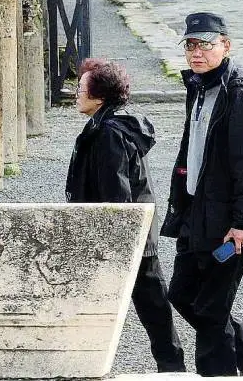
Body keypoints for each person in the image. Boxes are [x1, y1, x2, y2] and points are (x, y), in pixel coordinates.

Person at [160, 12, 243, 377]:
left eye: (206, 44)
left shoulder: (240, 93)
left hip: (232, 219)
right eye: (190, 45)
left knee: (212, 311)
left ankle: (221, 372)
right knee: (182, 294)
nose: (197, 53)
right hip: (197, 211)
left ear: (225, 46)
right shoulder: (198, 86)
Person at [65, 57, 185, 373]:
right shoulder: (106, 126)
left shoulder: (109, 134)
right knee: (151, 303)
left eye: (81, 88)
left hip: (126, 236)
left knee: (150, 303)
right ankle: (171, 364)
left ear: (99, 96)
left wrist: (114, 239)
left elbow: (117, 195)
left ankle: (173, 366)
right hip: (130, 234)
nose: (75, 93)